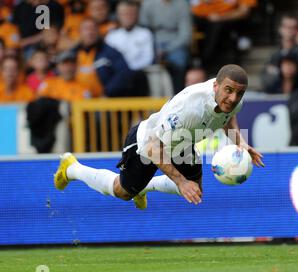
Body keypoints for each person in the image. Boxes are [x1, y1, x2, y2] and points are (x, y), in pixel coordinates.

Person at [53, 64, 264, 209]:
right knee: (123, 192)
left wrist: (242, 143)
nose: (233, 98)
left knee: (196, 189)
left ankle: (145, 187)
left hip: (181, 142)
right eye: (228, 90)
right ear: (216, 86)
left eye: (238, 93)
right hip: (147, 143)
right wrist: (180, 181)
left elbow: (228, 116)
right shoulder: (190, 110)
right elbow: (154, 147)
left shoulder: (234, 97)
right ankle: (72, 168)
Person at [73, 18, 140, 97]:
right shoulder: (72, 54)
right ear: (79, 32)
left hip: (104, 101)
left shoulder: (110, 52)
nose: (90, 32)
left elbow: (124, 73)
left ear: (98, 32)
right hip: (77, 100)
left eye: (93, 29)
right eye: (86, 29)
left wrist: (106, 92)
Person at [139, 0, 192, 94]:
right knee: (143, 62)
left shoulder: (182, 3)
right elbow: (143, 29)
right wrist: (152, 48)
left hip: (175, 42)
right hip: (152, 42)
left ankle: (177, 97)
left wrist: (167, 49)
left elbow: (185, 35)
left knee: (179, 61)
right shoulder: (148, 3)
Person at [261, 15, 298, 92]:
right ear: (280, 29)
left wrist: (277, 71)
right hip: (277, 93)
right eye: (286, 27)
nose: (289, 30)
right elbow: (266, 78)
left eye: (293, 28)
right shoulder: (274, 54)